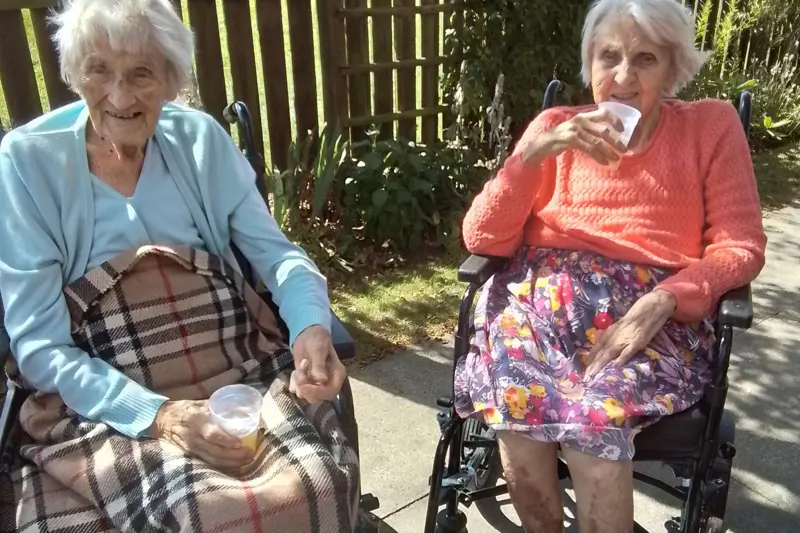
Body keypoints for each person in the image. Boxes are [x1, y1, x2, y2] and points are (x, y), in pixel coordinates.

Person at [0, 0, 356, 531]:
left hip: (231, 365)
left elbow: (280, 256)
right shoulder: (27, 162)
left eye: (141, 74)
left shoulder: (201, 140)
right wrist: (159, 415)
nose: (120, 96)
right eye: (99, 70)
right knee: (191, 513)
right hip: (102, 391)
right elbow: (38, 345)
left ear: (170, 80)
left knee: (314, 485)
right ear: (74, 74)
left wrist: (310, 327)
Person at [455, 0, 767, 531]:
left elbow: (741, 245)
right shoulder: (555, 127)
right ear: (590, 63)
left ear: (672, 68)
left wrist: (668, 297)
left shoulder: (710, 127)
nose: (622, 77)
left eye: (645, 59)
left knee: (592, 427)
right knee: (518, 418)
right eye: (609, 57)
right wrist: (532, 155)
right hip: (536, 304)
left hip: (650, 317)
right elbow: (482, 238)